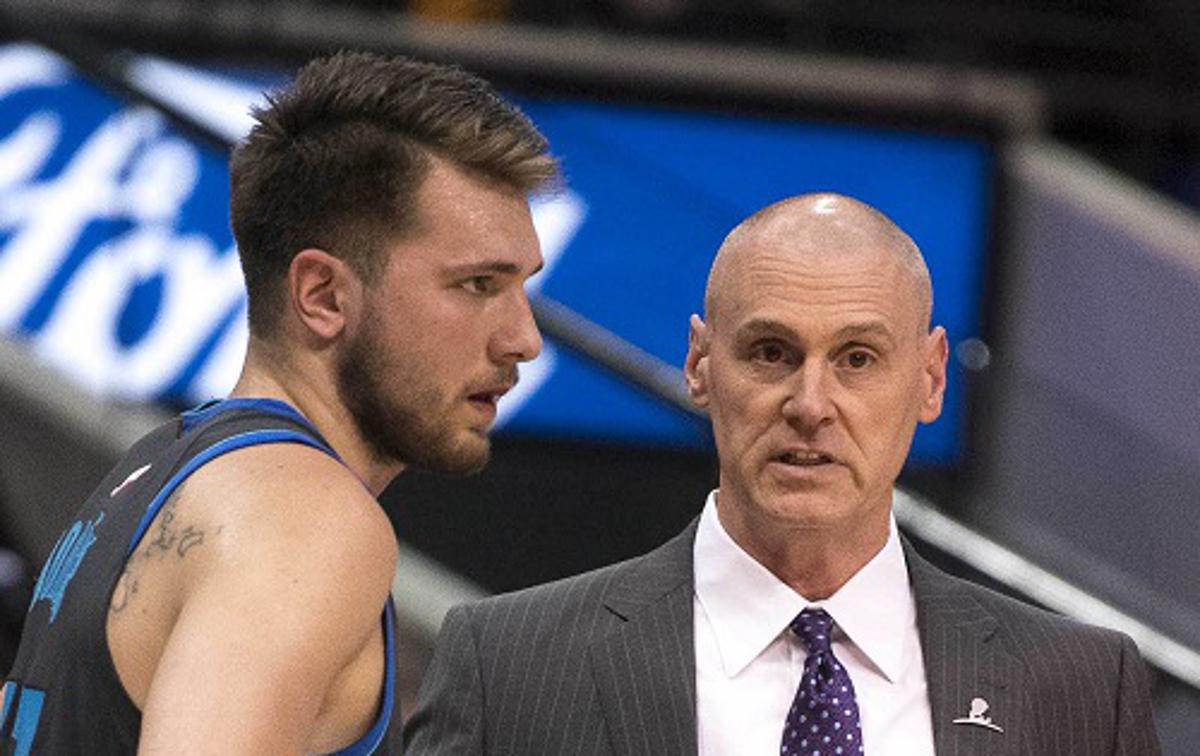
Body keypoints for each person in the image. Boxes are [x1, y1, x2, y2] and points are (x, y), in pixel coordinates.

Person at [404, 193, 1161, 755]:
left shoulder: (1084, 689)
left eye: (858, 359)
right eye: (771, 352)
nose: (810, 404)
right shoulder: (510, 667)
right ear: (701, 365)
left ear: (931, 380)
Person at [0, 51, 556, 754]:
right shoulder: (307, 520)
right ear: (322, 295)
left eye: (523, 288)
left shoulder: (157, 475)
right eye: (478, 285)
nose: (524, 339)